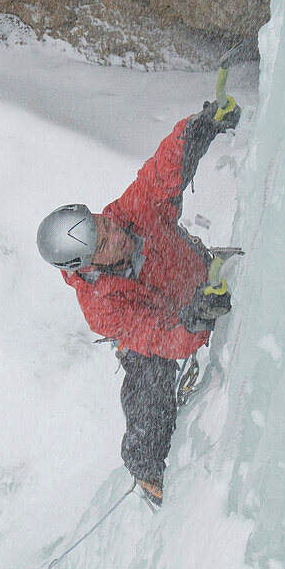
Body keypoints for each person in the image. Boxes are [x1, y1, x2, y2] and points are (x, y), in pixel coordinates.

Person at [36, 98, 240, 506]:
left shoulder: (132, 212)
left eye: (103, 223)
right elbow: (158, 335)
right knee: (147, 385)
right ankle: (147, 469)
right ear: (89, 264)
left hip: (200, 274)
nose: (115, 232)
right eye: (104, 242)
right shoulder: (101, 307)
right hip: (177, 320)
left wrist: (199, 127)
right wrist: (194, 322)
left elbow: (162, 173)